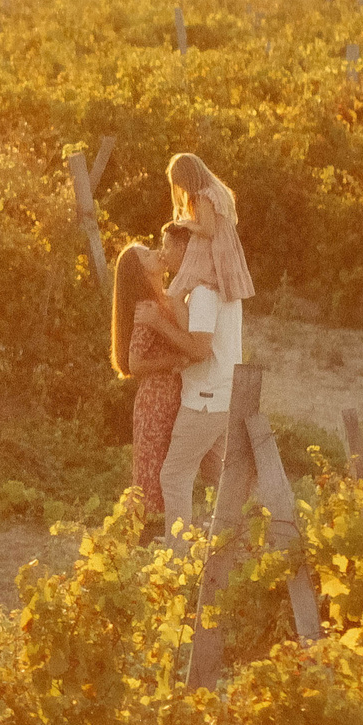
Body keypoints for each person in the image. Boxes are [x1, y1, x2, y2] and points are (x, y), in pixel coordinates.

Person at [159, 215, 247, 538]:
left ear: (187, 248)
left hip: (205, 401)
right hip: (222, 395)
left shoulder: (204, 293)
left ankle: (176, 555)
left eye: (167, 245)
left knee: (174, 476)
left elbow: (199, 349)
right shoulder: (220, 288)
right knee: (219, 474)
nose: (163, 253)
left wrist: (159, 322)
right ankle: (237, 543)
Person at [111, 225, 206, 520]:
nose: (156, 253)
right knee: (151, 480)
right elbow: (135, 364)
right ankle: (141, 542)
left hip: (172, 399)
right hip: (155, 403)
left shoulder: (166, 298)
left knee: (169, 473)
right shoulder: (147, 307)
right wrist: (174, 360)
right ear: (140, 274)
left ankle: (159, 541)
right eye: (147, 256)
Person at [166, 153, 255, 305]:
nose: (181, 187)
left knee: (179, 290)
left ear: (188, 178)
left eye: (180, 182)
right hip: (224, 246)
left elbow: (208, 230)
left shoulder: (203, 196)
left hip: (211, 246)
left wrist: (187, 224)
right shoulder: (218, 191)